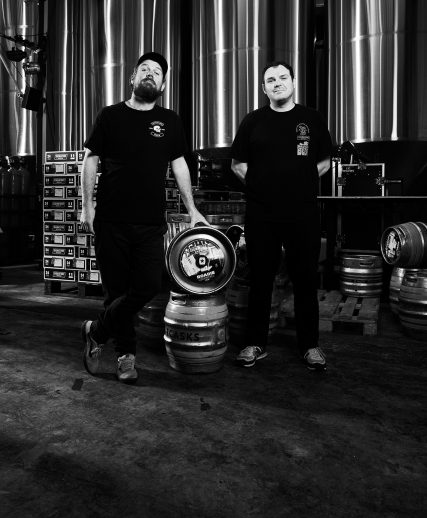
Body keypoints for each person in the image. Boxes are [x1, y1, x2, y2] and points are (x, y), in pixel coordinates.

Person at [79, 52, 207, 384]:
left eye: (157, 72)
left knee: (148, 285)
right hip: (111, 219)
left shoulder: (170, 121)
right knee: (116, 292)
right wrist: (87, 206)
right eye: (145, 69)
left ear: (163, 85)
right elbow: (91, 159)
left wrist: (192, 209)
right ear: (132, 78)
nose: (151, 74)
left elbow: (179, 164)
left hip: (150, 222)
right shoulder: (110, 115)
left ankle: (97, 331)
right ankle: (126, 356)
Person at [230, 60, 333, 370]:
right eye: (271, 80)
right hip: (262, 212)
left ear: (293, 82)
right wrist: (264, 187)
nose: (277, 83)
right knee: (261, 278)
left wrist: (299, 184)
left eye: (282, 77)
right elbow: (237, 164)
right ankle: (255, 343)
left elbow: (325, 161)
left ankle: (310, 346)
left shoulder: (311, 119)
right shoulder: (253, 121)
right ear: (264, 88)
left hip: (302, 211)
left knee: (305, 279)